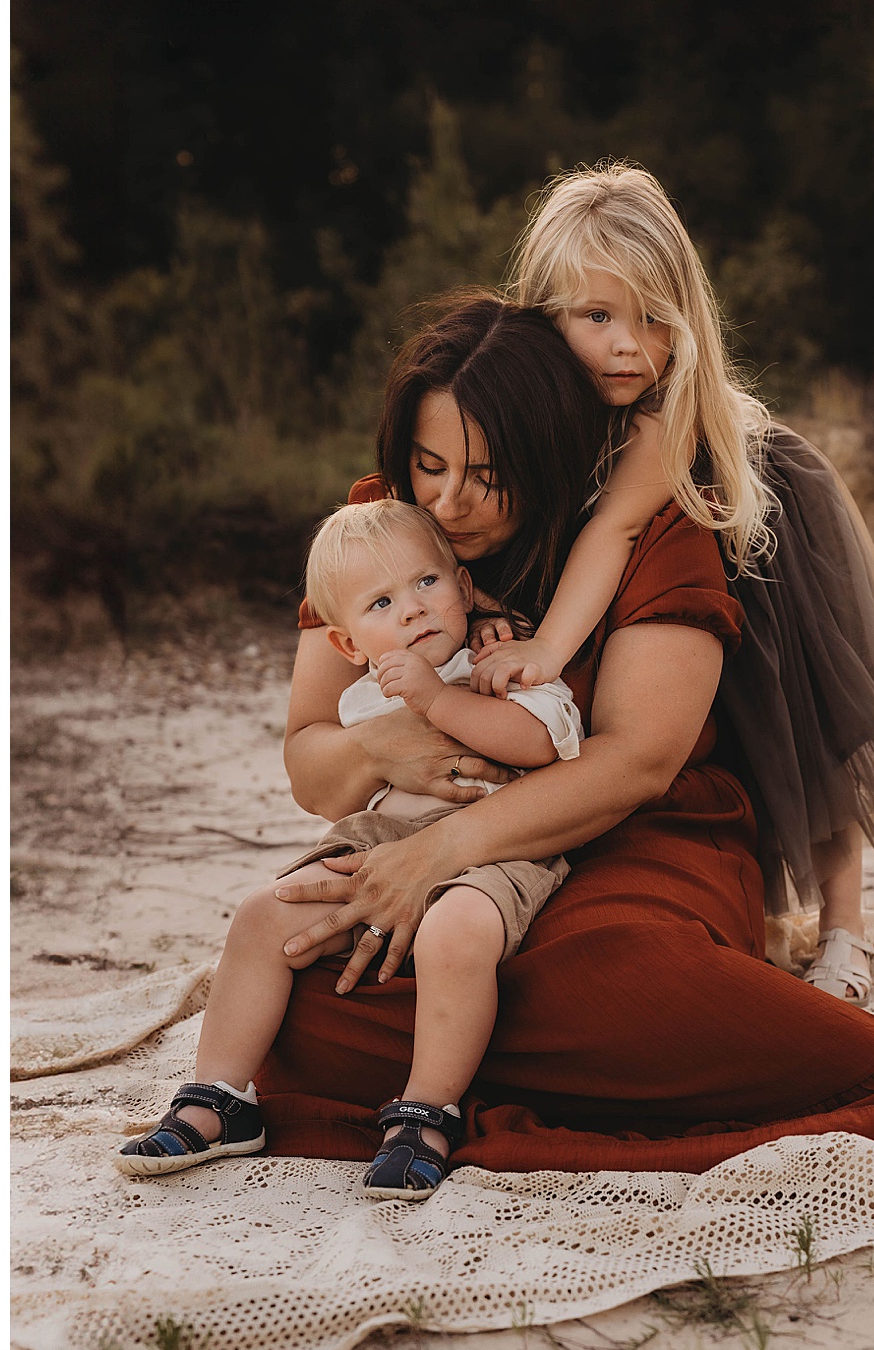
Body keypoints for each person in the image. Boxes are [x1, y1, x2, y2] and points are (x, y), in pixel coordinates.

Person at [261, 293, 874, 1191]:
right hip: (455, 870)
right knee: (309, 1000)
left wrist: (439, 852)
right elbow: (312, 766)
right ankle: (586, 1069)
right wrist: (388, 747)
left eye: (486, 473)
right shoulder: (383, 540)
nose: (447, 500)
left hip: (645, 840)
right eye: (426, 465)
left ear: (548, 448)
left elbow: (639, 760)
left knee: (625, 977)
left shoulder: (661, 526)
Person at [465, 160, 874, 1009]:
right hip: (658, 579)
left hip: (761, 535)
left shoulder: (660, 411)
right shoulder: (540, 403)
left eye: (653, 319)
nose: (627, 345)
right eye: (595, 316)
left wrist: (547, 650)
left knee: (801, 733)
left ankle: (846, 928)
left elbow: (614, 527)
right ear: (542, 316)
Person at [116, 495, 583, 1199]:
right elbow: (333, 784)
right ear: (348, 646)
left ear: (463, 588)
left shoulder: (506, 664)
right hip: (383, 838)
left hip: (499, 843)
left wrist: (437, 697)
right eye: (381, 603)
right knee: (261, 914)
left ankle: (426, 1113)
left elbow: (541, 744)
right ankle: (219, 1097)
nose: (412, 611)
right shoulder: (363, 699)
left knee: (455, 933)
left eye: (427, 583)